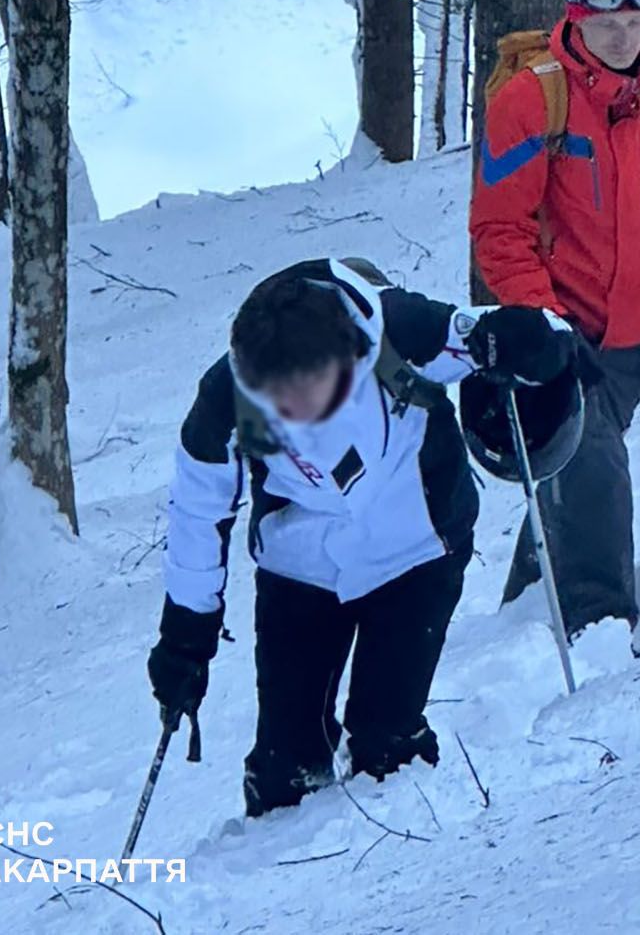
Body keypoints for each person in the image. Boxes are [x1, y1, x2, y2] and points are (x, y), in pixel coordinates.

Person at [146, 258, 576, 817]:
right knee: (285, 770)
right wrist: (186, 633)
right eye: (273, 402)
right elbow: (199, 516)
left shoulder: (399, 330)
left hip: (416, 548)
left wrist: (536, 344)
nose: (287, 419)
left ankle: (400, 863)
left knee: (387, 745)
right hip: (300, 565)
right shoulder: (225, 401)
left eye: (303, 400)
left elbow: (514, 335)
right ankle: (276, 870)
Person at [470, 0, 640, 641]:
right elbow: (499, 231)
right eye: (605, 19)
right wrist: (548, 334)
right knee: (595, 479)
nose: (622, 33)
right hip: (558, 344)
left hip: (633, 344)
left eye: (635, 17)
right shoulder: (533, 99)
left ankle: (518, 631)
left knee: (567, 477)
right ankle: (601, 635)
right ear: (576, 16)